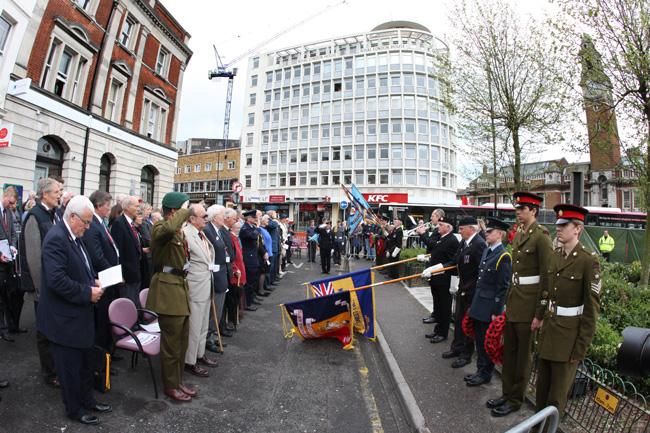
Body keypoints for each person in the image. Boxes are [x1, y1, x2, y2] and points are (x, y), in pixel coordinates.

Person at [37, 195, 110, 425]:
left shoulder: (75, 235)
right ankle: (74, 409)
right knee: (69, 369)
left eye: (90, 223)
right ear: (72, 217)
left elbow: (81, 268)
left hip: (79, 315)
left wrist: (93, 281)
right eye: (86, 222)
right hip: (64, 319)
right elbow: (57, 281)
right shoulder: (56, 238)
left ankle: (87, 400)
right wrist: (88, 292)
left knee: (85, 365)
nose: (88, 227)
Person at [488, 191, 553, 418]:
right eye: (516, 209)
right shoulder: (518, 235)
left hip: (529, 306)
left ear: (533, 210)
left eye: (521, 209)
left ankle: (516, 399)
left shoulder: (541, 236)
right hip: (515, 301)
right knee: (510, 353)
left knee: (523, 357)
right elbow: (515, 274)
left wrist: (540, 313)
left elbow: (547, 275)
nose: (517, 212)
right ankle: (506, 393)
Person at [535, 204, 600, 420]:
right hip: (549, 332)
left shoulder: (588, 261)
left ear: (578, 229)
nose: (559, 228)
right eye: (558, 224)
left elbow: (591, 310)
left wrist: (580, 348)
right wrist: (539, 316)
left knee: (556, 397)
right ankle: (537, 427)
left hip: (568, 338)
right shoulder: (555, 256)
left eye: (565, 225)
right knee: (541, 391)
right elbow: (546, 291)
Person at [146, 192, 196, 402]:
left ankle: (177, 381)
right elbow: (167, 228)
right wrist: (187, 210)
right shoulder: (160, 227)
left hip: (179, 288)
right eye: (183, 208)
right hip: (167, 291)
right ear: (174, 211)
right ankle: (170, 385)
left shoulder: (177, 232)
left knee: (182, 342)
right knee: (171, 345)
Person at [20, 177, 62, 387]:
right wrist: (41, 290)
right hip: (44, 288)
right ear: (45, 194)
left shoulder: (52, 214)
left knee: (53, 330)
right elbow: (34, 259)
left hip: (53, 285)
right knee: (45, 332)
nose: (59, 195)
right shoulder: (35, 216)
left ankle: (55, 367)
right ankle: (49, 373)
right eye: (56, 192)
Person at [466, 218, 512, 387]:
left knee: (486, 343)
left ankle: (485, 374)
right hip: (480, 303)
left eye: (490, 231)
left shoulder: (504, 256)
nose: (487, 233)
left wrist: (496, 311)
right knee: (479, 340)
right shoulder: (488, 251)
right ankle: (480, 370)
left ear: (500, 234)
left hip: (489, 307)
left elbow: (502, 287)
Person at [445, 217, 486, 368]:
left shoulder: (479, 244)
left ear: (471, 228)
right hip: (462, 288)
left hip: (472, 291)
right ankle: (457, 348)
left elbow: (480, 271)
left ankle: (466, 355)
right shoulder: (464, 242)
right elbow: (455, 260)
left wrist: (472, 289)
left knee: (468, 324)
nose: (459, 231)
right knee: (458, 319)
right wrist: (436, 268)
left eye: (462, 229)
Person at [182, 204, 217, 378]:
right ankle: (190, 361)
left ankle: (199, 354)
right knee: (194, 326)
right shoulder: (186, 233)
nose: (206, 219)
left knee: (203, 324)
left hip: (205, 283)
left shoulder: (200, 233)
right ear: (191, 218)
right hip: (195, 286)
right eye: (203, 216)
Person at [83, 191, 119, 352]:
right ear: (98, 206)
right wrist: (114, 272)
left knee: (107, 319)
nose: (109, 209)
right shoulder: (93, 225)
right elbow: (97, 256)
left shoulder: (100, 223)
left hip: (109, 277)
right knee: (102, 320)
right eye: (107, 205)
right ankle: (101, 359)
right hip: (102, 278)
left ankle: (108, 353)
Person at [421, 219, 459, 344]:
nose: (438, 226)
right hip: (436, 277)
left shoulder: (452, 240)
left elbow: (452, 261)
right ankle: (438, 330)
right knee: (437, 305)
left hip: (444, 278)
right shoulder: (442, 237)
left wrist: (437, 268)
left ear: (449, 227)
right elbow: (437, 252)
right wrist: (426, 258)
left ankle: (443, 333)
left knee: (444, 307)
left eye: (441, 225)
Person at [203, 205, 233, 348]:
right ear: (215, 217)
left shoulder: (218, 230)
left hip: (222, 274)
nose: (225, 217)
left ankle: (214, 336)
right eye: (222, 214)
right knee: (213, 309)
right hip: (215, 275)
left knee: (218, 308)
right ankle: (209, 338)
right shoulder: (208, 230)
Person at [110, 196, 143, 308]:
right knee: (127, 308)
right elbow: (117, 252)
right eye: (136, 206)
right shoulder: (119, 223)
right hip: (126, 276)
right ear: (127, 207)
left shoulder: (132, 224)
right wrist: (120, 275)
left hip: (135, 274)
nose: (138, 209)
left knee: (135, 305)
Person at [417, 208, 445, 325]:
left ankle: (437, 315)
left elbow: (432, 244)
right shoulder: (436, 230)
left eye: (433, 216)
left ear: (439, 217)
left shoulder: (440, 231)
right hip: (433, 263)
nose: (431, 218)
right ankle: (435, 314)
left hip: (438, 267)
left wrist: (423, 234)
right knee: (434, 292)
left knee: (438, 294)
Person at [0, 186, 20, 338]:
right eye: (11, 202)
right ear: (5, 196)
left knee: (6, 293)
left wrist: (12, 246)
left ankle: (5, 327)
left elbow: (12, 233)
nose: (12, 206)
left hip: (7, 261)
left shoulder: (9, 212)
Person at [223, 208, 241, 330]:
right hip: (224, 270)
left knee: (230, 298)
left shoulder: (226, 231)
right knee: (226, 301)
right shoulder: (226, 233)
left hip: (230, 268)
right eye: (234, 218)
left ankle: (228, 322)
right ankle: (224, 324)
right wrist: (234, 268)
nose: (236, 221)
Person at [239, 210, 261, 311]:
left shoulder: (251, 227)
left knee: (253, 279)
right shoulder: (244, 228)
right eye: (253, 217)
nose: (255, 219)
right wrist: (258, 227)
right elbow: (253, 236)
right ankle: (247, 303)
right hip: (248, 258)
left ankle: (251, 299)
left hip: (253, 257)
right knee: (249, 282)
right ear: (248, 218)